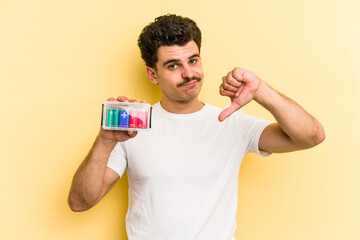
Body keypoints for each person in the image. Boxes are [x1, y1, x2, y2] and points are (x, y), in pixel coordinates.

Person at [68, 14, 325, 239]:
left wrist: (261, 91)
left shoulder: (230, 121)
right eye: (173, 65)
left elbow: (311, 136)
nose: (188, 73)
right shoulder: (132, 130)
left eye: (193, 60)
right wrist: (105, 140)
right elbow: (80, 202)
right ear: (152, 75)